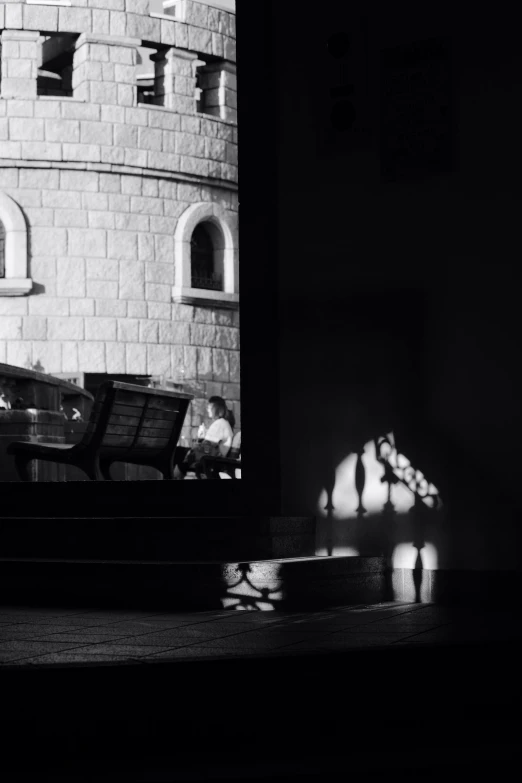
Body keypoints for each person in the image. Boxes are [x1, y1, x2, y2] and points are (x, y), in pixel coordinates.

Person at [174, 395, 234, 479]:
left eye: (210, 407)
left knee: (177, 453)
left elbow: (207, 446)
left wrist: (199, 440)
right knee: (180, 453)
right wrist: (201, 438)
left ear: (216, 409)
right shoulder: (223, 423)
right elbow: (208, 444)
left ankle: (174, 475)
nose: (207, 409)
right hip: (211, 458)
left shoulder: (220, 423)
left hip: (210, 460)